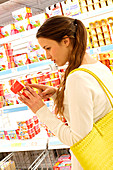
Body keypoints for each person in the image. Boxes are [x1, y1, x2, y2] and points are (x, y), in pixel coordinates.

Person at [18, 15, 113, 170]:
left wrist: (40, 110)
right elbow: (97, 107)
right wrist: (57, 94)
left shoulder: (77, 78)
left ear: (66, 41)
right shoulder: (100, 67)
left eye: (48, 48)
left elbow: (77, 140)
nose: (47, 56)